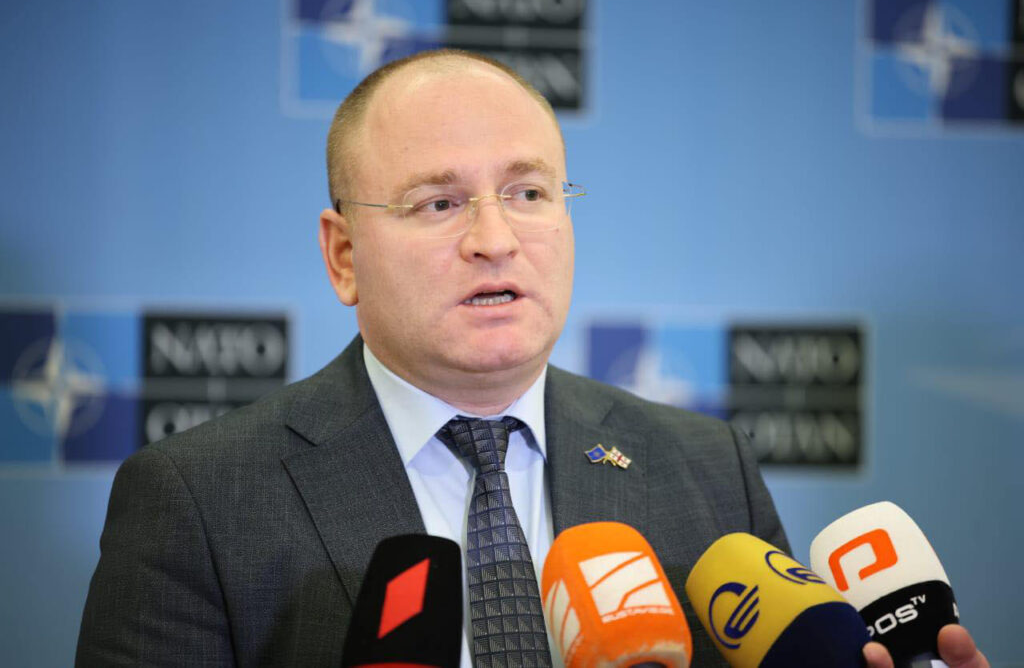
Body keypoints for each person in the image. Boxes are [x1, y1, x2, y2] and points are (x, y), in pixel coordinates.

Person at [76, 49, 985, 668]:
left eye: (529, 193)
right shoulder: (199, 499)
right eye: (438, 203)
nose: (495, 238)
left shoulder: (707, 469)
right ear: (343, 254)